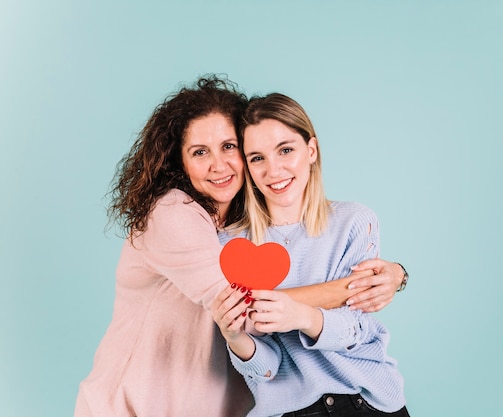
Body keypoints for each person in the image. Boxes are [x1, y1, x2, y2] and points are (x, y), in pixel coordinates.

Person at [74, 75, 408, 417]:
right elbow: (245, 311)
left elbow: (353, 328)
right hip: (135, 405)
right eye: (200, 152)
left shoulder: (245, 222)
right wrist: (365, 285)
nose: (219, 165)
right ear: (180, 162)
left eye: (229, 147)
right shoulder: (175, 214)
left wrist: (394, 274)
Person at [212, 93, 410, 416]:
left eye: (286, 150)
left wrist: (299, 316)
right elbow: (265, 369)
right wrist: (234, 337)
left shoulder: (355, 222)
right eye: (257, 158)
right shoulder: (230, 247)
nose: (274, 170)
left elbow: (357, 328)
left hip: (367, 402)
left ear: (312, 151)